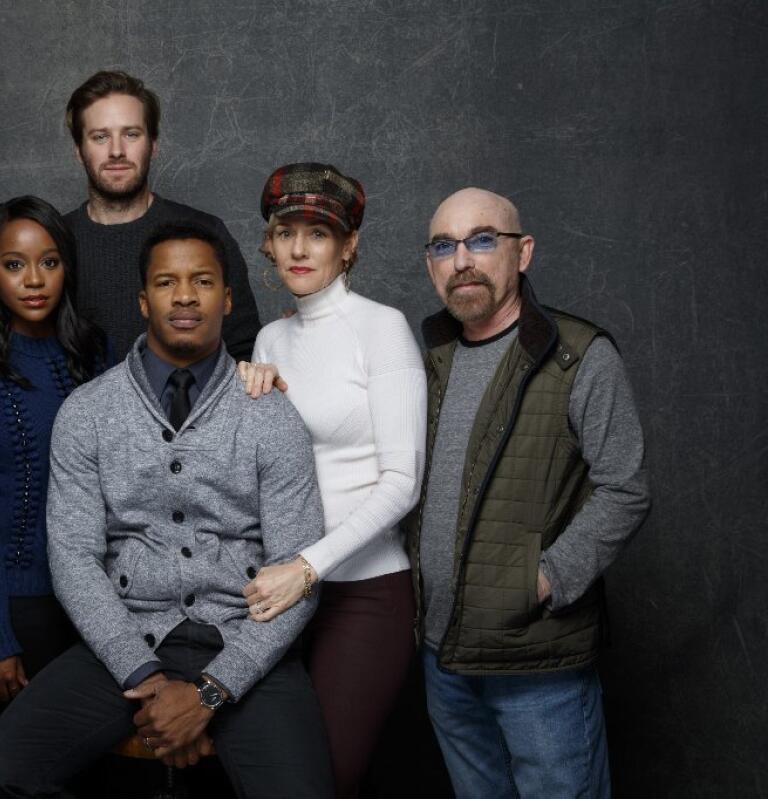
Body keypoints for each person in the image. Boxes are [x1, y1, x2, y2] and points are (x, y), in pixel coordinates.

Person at [0, 221, 335, 798]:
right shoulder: (87, 412)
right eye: (166, 282)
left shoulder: (271, 415)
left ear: (227, 298)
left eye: (203, 281)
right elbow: (74, 558)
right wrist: (144, 676)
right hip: (127, 638)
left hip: (246, 642)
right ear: (143, 300)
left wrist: (210, 691)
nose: (185, 295)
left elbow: (298, 573)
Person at [404, 187, 651, 797]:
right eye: (444, 245)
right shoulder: (426, 357)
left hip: (537, 660)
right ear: (431, 263)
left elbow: (626, 486)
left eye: (483, 239)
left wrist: (543, 580)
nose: (462, 259)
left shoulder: (578, 355)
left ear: (524, 252)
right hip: (441, 653)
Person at [238, 163, 426, 798]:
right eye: (285, 231)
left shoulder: (381, 327)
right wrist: (248, 396)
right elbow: (258, 470)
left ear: (348, 246)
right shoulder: (269, 338)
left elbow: (403, 482)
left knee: (329, 778)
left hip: (365, 594)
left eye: (317, 234)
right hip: (281, 594)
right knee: (270, 773)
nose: (298, 248)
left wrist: (306, 568)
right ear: (268, 242)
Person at [0, 196, 107, 752]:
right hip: (16, 610)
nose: (34, 280)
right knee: (9, 775)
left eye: (50, 262)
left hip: (97, 604)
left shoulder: (94, 352)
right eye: (14, 264)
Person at [63, 69, 261, 360]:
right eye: (100, 137)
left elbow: (245, 353)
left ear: (153, 145)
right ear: (79, 151)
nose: (117, 150)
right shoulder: (54, 242)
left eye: (131, 134)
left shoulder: (203, 233)